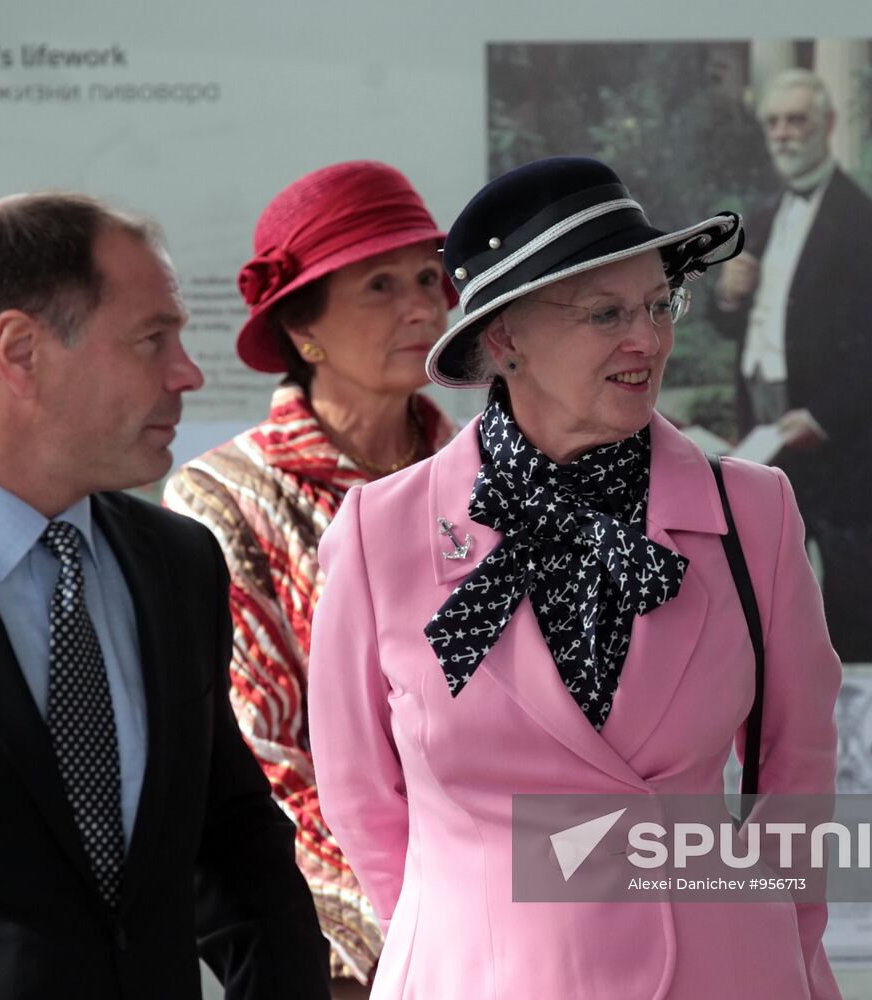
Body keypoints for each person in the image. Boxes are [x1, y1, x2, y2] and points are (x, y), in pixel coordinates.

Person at [308, 157, 844, 999]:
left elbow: (796, 768)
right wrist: (455, 929)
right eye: (606, 314)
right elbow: (360, 796)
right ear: (504, 339)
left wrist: (781, 947)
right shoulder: (379, 534)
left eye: (658, 305)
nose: (648, 339)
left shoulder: (754, 512)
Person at [0, 194, 330, 999]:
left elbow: (231, 844)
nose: (189, 372)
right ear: (21, 351)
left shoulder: (177, 564)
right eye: (153, 339)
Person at [163, 160, 458, 991]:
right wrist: (408, 924)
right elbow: (262, 761)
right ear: (304, 330)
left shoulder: (488, 481)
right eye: (379, 285)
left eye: (429, 277)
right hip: (341, 949)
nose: (421, 306)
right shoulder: (222, 498)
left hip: (511, 930)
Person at [711, 68, 872, 663]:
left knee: (850, 598)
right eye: (774, 122)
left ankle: (870, 728)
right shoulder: (764, 215)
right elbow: (733, 325)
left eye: (797, 120)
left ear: (827, 126)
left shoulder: (869, 227)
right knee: (773, 599)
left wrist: (822, 417)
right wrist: (728, 295)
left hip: (838, 445)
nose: (784, 133)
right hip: (765, 431)